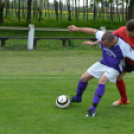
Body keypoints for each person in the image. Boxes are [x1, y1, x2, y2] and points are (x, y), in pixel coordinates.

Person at [68, 25, 134, 117]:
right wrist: (77, 29)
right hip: (104, 62)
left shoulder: (125, 47)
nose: (104, 47)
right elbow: (93, 31)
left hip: (115, 67)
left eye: (106, 45)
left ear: (113, 41)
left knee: (102, 80)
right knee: (84, 78)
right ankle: (78, 98)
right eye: (103, 44)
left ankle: (92, 109)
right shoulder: (104, 36)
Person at [85, 19, 134, 107]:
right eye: (126, 30)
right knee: (118, 78)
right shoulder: (122, 30)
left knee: (117, 78)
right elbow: (108, 37)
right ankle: (124, 100)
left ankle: (124, 100)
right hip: (128, 59)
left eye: (130, 33)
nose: (127, 34)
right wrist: (94, 42)